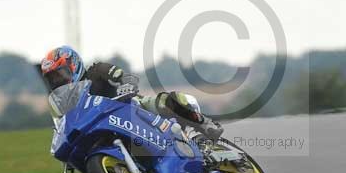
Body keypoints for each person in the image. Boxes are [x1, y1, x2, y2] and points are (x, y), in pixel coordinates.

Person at [40, 46, 224, 141]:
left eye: (60, 74)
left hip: (132, 108)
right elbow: (64, 122)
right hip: (102, 128)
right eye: (53, 79)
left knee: (168, 101)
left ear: (73, 64)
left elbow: (121, 75)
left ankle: (205, 124)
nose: (58, 81)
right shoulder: (67, 101)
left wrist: (125, 84)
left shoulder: (96, 71)